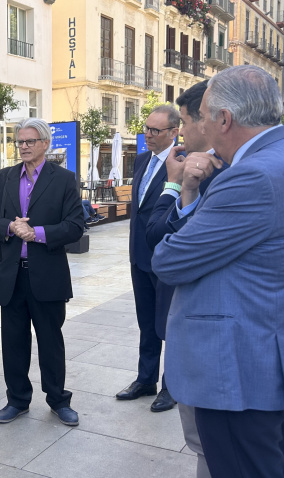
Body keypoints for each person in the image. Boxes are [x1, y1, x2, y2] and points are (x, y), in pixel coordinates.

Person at [152, 65, 284, 477]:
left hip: (234, 374)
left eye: (204, 115)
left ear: (225, 120)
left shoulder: (250, 176)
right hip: (261, 358)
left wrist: (180, 192)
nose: (196, 126)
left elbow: (169, 259)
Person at [144, 80, 228, 478]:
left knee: (213, 447)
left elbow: (160, 237)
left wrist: (176, 185)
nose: (149, 135)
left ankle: (166, 386)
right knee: (206, 449)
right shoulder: (197, 166)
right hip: (178, 301)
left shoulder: (213, 172)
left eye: (185, 122)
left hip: (208, 330)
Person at [0, 118, 85, 427]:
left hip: (47, 275)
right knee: (13, 341)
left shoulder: (64, 179)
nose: (23, 146)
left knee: (51, 342)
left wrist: (35, 232)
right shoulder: (1, 180)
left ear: (45, 144)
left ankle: (58, 400)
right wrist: (10, 226)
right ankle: (17, 400)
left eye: (29, 141)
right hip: (10, 275)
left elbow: (75, 226)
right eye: (19, 142)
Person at [117, 104, 180, 413]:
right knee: (146, 321)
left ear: (173, 132)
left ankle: (172, 386)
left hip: (166, 258)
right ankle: (146, 379)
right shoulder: (141, 160)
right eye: (146, 129)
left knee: (169, 323)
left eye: (155, 131)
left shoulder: (180, 163)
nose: (148, 136)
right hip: (139, 255)